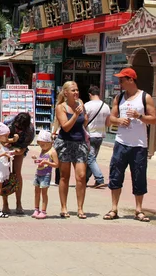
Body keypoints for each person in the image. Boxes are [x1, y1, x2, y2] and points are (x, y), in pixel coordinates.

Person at [104, 68, 156, 222]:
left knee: (139, 176)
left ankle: (139, 210)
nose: (119, 82)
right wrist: (119, 120)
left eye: (122, 80)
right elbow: (110, 119)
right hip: (121, 142)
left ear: (131, 80)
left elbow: (153, 119)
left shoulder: (145, 97)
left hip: (139, 145)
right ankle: (114, 208)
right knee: (115, 174)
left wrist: (139, 116)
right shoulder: (119, 98)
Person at [53, 81, 89, 219]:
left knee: (81, 176)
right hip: (65, 143)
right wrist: (75, 115)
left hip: (80, 143)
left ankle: (80, 208)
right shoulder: (61, 107)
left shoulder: (81, 104)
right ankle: (64, 207)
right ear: (66, 93)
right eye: (73, 90)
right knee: (64, 176)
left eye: (77, 90)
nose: (76, 93)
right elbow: (66, 127)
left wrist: (83, 116)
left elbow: (84, 122)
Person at [2, 113, 34, 215]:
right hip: (6, 146)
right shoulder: (8, 122)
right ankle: (5, 203)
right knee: (5, 173)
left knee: (17, 173)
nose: (18, 129)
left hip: (19, 147)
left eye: (21, 128)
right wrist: (6, 144)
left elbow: (24, 147)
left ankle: (18, 203)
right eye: (17, 126)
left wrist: (18, 152)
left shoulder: (30, 130)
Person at [84, 85, 111, 188]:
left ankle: (99, 179)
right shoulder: (106, 106)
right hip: (100, 136)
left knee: (90, 159)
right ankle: (85, 180)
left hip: (89, 135)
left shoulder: (87, 105)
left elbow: (84, 120)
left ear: (90, 94)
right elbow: (108, 124)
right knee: (92, 158)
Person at [30, 130, 59, 219]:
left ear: (50, 142)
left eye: (43, 144)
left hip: (46, 174)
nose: (42, 147)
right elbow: (42, 160)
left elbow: (57, 164)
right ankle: (36, 209)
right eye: (40, 145)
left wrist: (47, 162)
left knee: (44, 193)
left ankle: (43, 210)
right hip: (38, 173)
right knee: (36, 192)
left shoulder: (52, 151)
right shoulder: (43, 150)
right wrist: (37, 159)